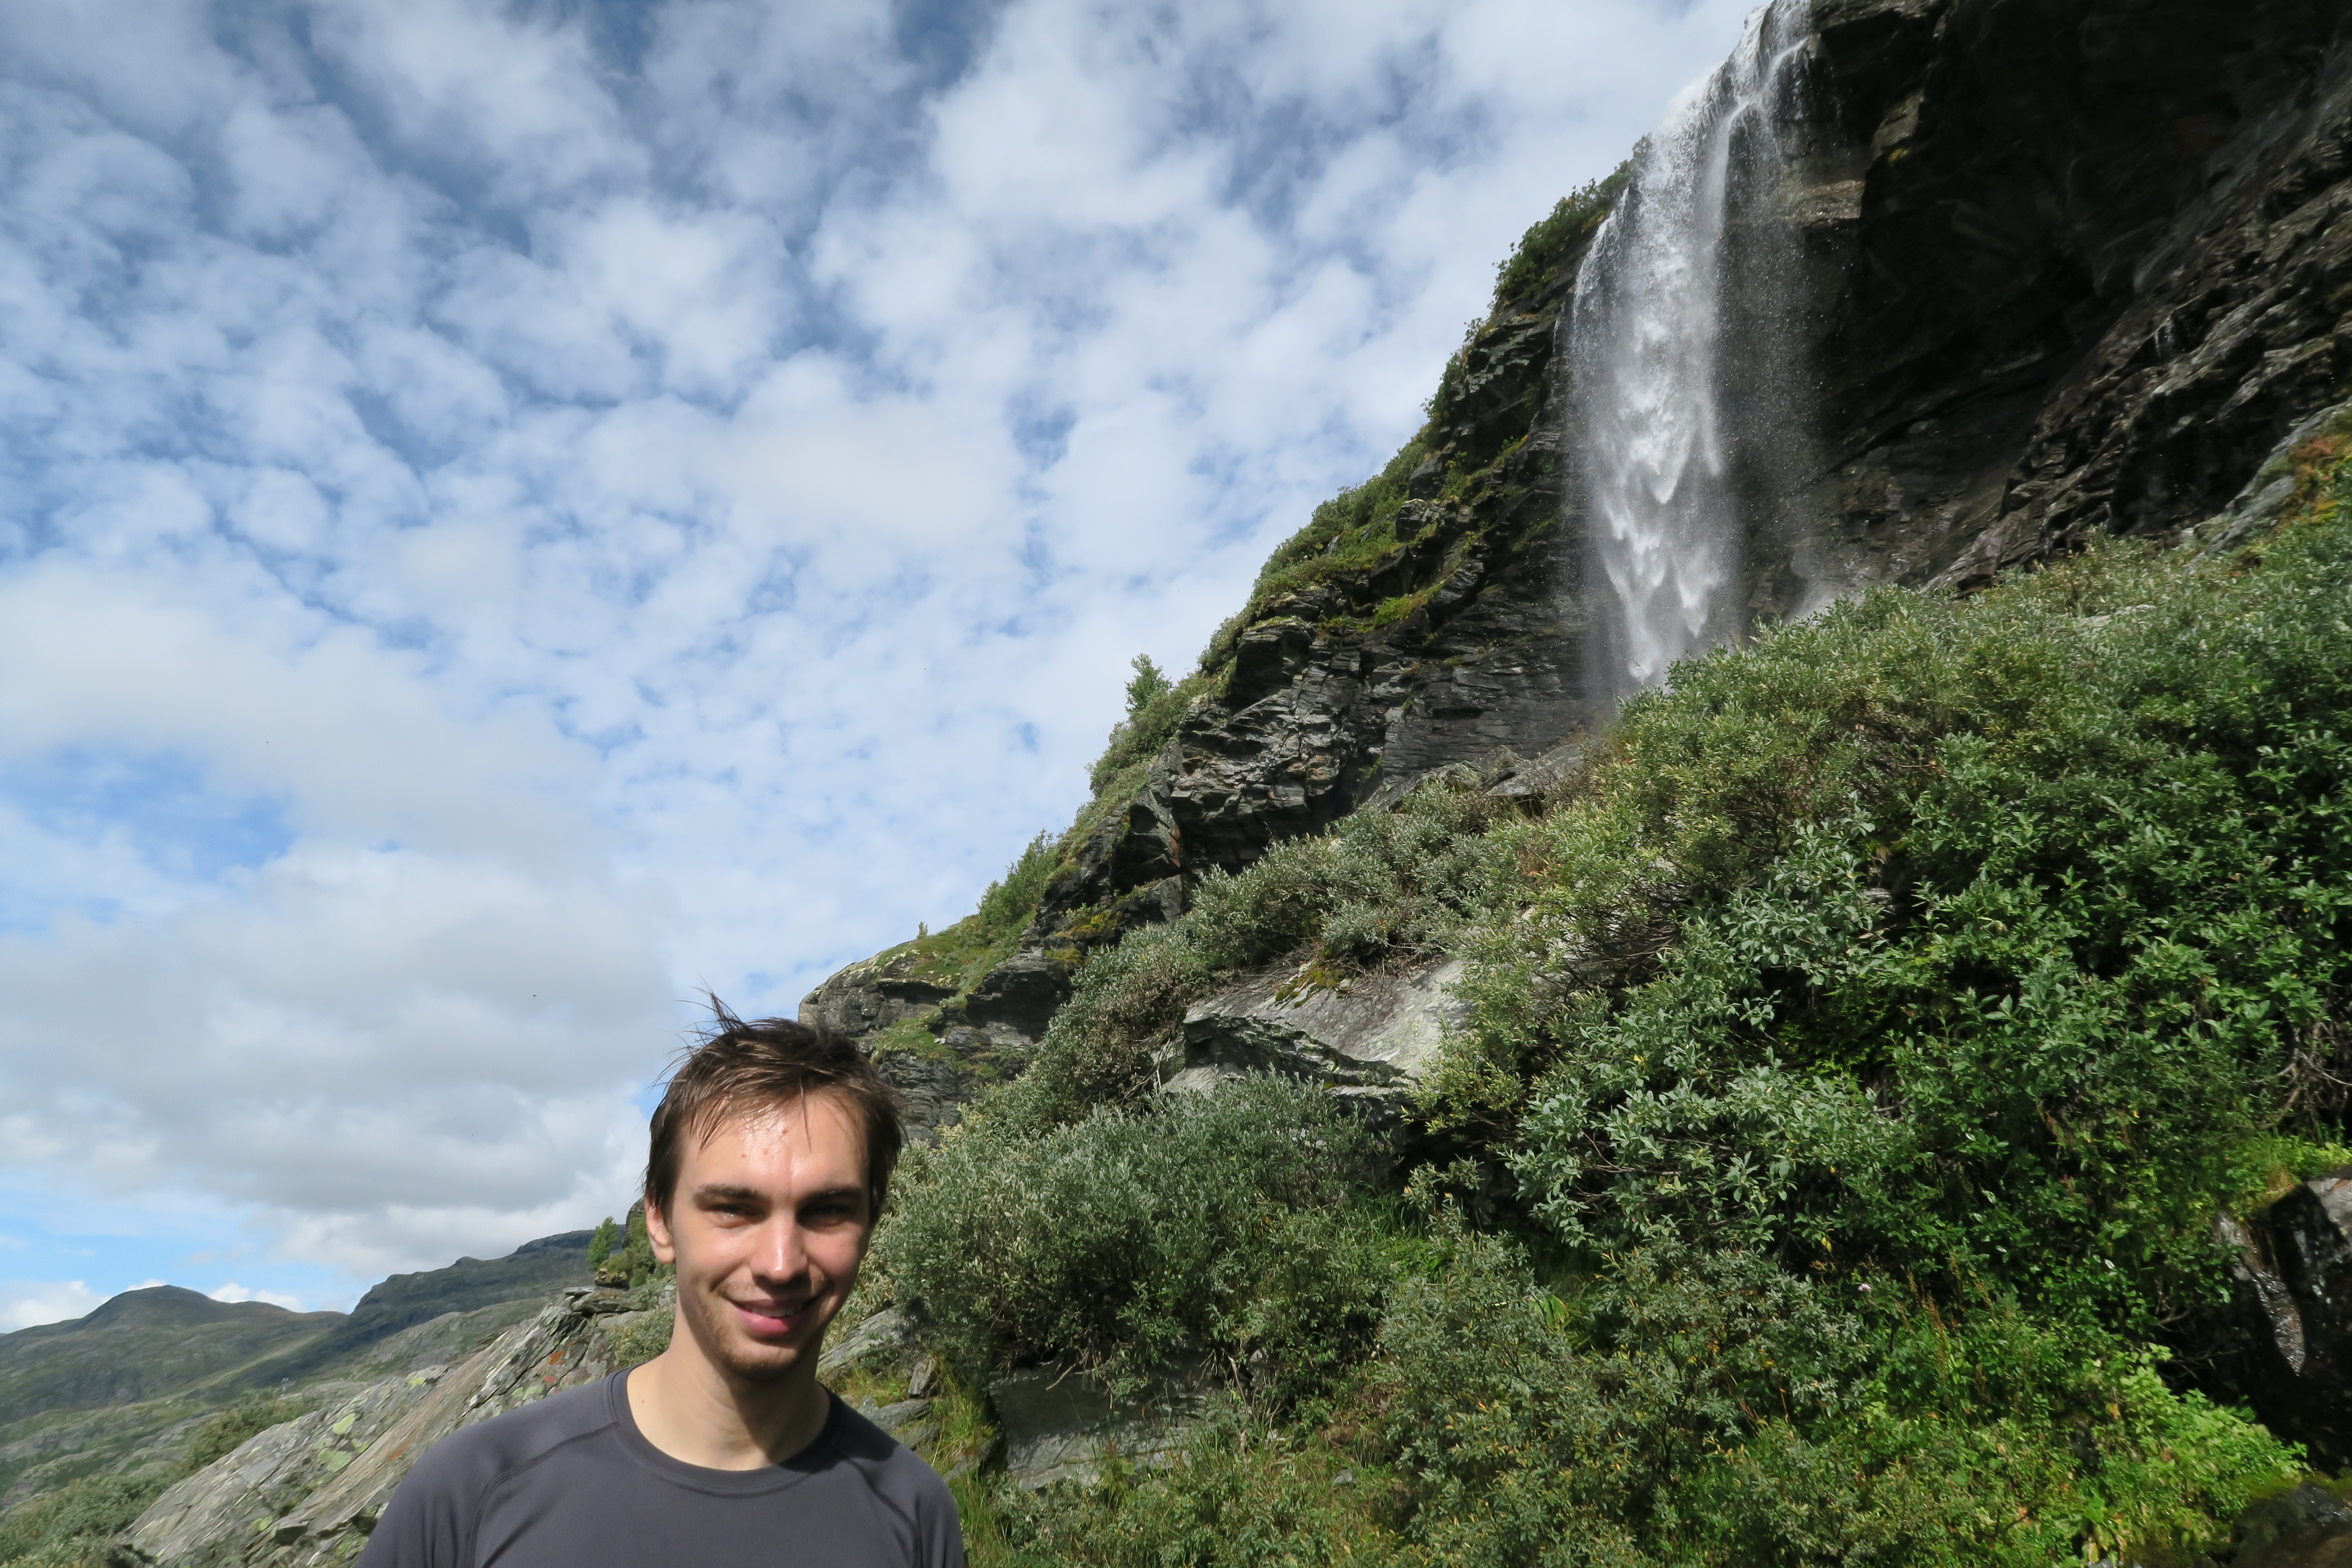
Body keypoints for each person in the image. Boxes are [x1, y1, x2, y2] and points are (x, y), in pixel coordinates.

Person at [358, 1011, 964, 1567]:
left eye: (827, 1210)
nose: (781, 1264)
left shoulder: (913, 1515)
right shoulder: (472, 1495)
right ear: (659, 1219)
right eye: (733, 1208)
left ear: (872, 1221)